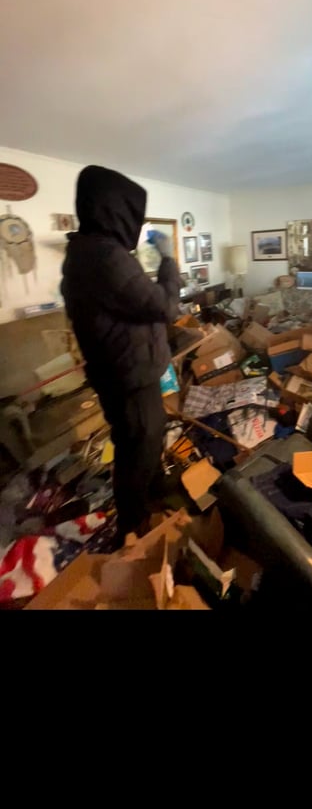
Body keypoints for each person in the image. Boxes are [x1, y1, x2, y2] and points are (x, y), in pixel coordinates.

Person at [61, 165, 182, 548]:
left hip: (124, 371)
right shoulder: (104, 256)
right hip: (128, 375)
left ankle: (155, 486)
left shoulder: (90, 251)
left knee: (147, 436)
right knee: (136, 447)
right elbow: (163, 306)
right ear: (114, 210)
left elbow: (135, 306)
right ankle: (132, 526)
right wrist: (168, 261)